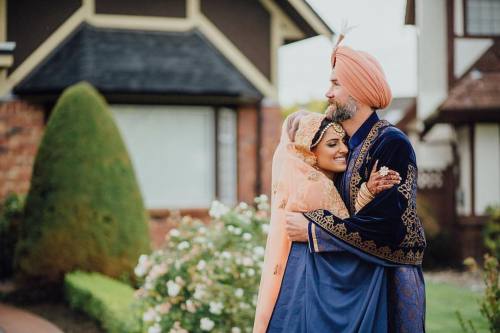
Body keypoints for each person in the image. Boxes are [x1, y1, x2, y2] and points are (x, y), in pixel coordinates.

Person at [283, 37, 427, 332]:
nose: (328, 93)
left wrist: (312, 229)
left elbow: (386, 226)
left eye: (335, 84)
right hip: (348, 280)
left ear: (359, 90)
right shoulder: (341, 146)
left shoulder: (391, 143)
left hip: (390, 279)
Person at [253, 110, 401, 333]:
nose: (344, 149)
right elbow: (346, 237)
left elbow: (341, 226)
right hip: (318, 290)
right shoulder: (315, 186)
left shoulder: (314, 181)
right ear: (309, 151)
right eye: (332, 144)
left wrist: (367, 191)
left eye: (343, 141)